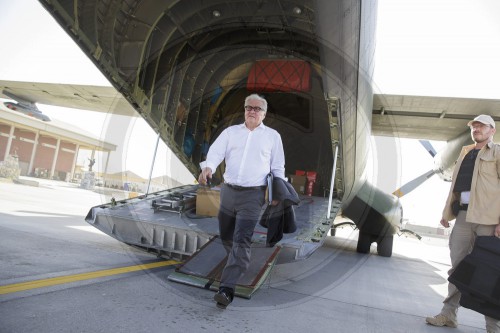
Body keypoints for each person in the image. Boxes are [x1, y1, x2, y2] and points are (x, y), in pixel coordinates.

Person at [198, 93, 285, 309]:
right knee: (227, 235)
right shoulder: (231, 133)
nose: (252, 111)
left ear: (264, 114)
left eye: (257, 108)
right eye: (249, 107)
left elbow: (277, 167)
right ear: (244, 110)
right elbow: (216, 152)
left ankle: (226, 289)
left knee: (241, 238)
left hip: (254, 195)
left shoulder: (273, 137)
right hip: (228, 192)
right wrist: (208, 167)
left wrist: (279, 194)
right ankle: (240, 261)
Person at [425, 114, 500, 332]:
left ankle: (493, 325)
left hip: (487, 219)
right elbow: (457, 187)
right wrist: (447, 212)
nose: (476, 129)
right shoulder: (466, 153)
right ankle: (449, 314)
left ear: (492, 130)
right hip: (463, 218)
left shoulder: (497, 152)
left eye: (481, 126)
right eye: (474, 126)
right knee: (457, 269)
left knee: (488, 270)